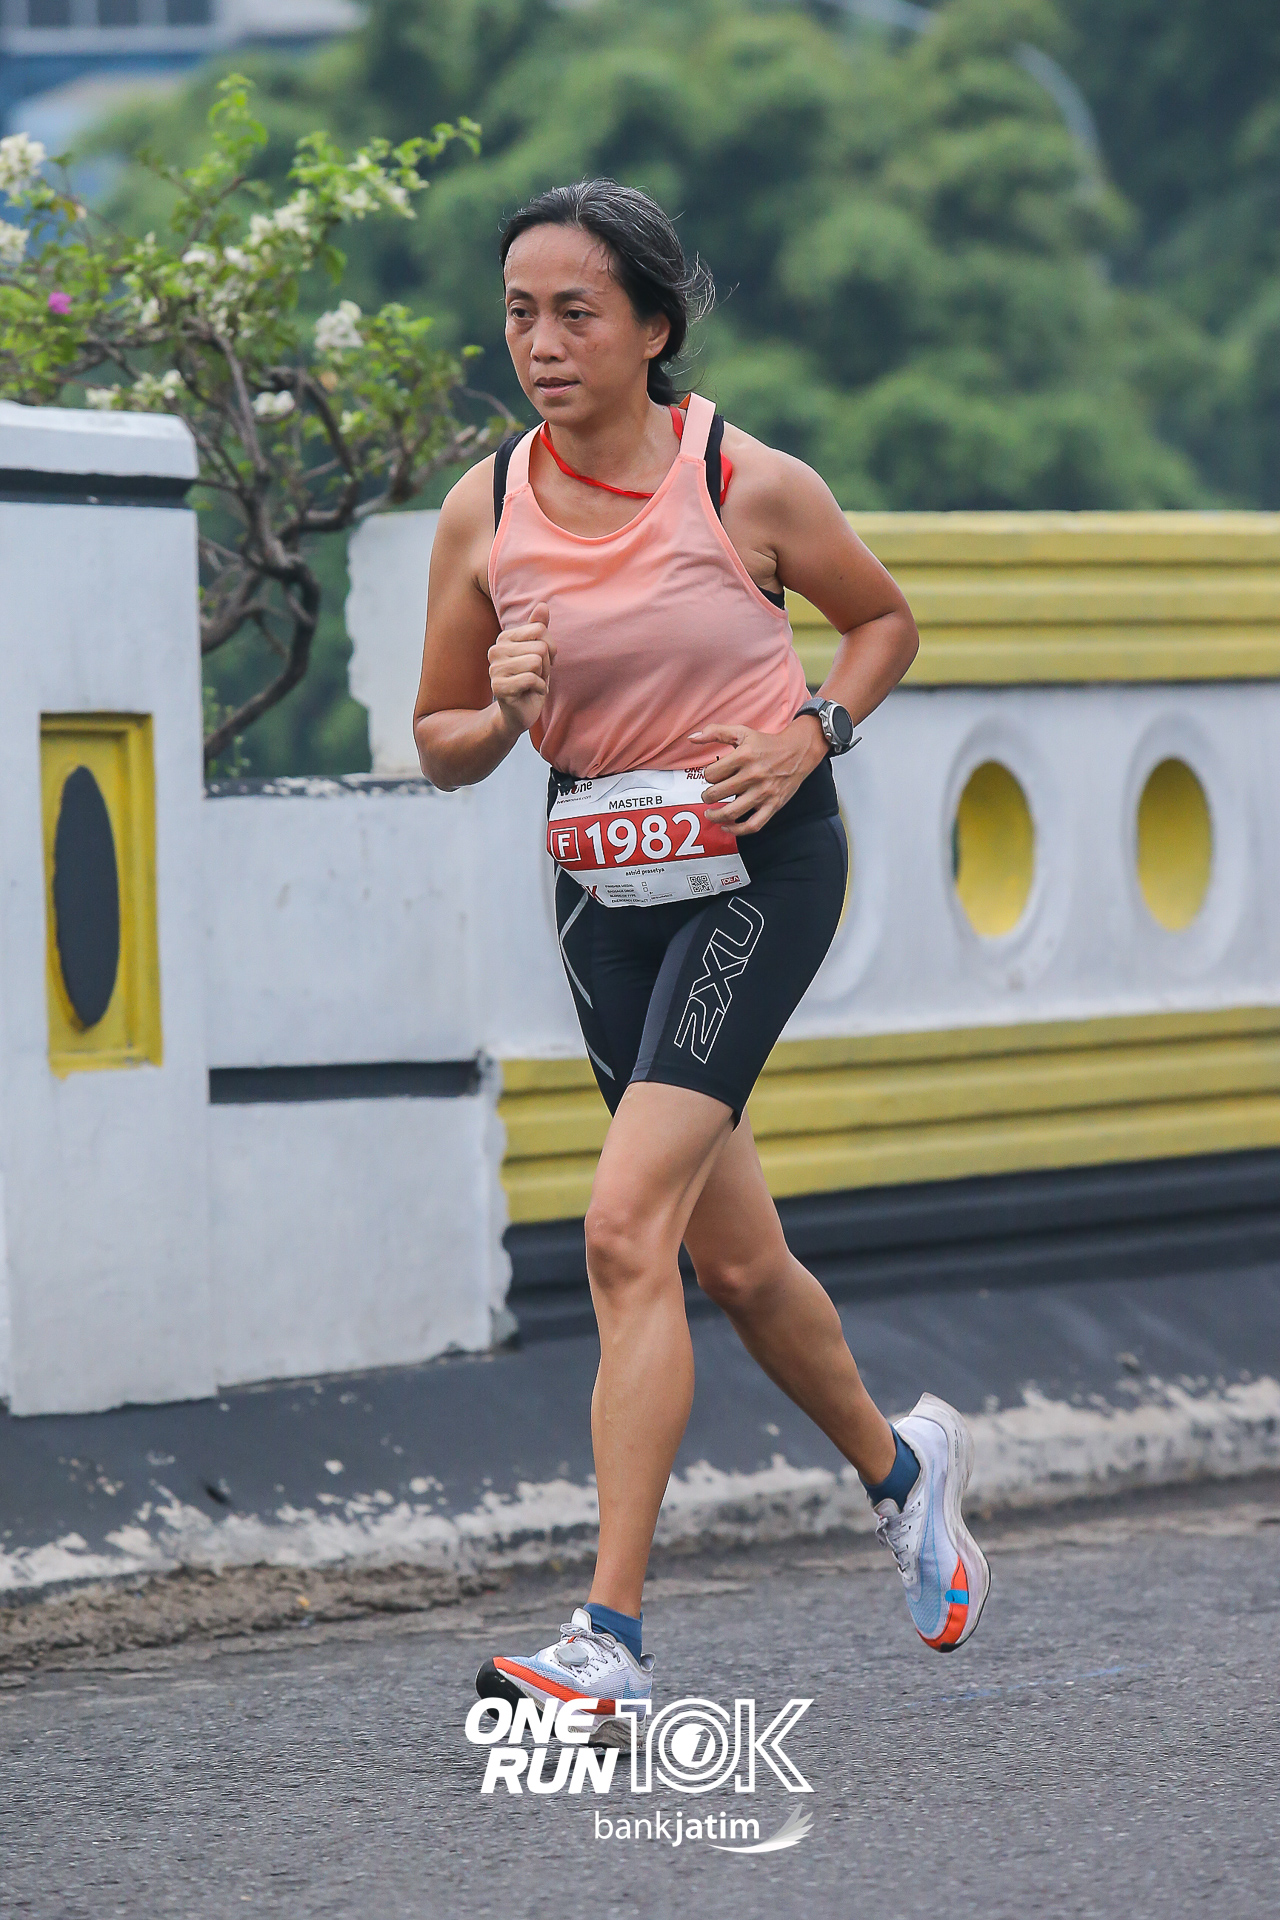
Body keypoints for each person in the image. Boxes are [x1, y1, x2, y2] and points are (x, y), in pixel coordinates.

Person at [414, 179, 989, 1740]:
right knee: (730, 1263)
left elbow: (884, 624)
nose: (541, 343)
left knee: (622, 1232)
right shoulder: (484, 510)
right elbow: (442, 742)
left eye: (577, 312)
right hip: (604, 897)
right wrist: (505, 706)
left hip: (758, 871)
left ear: (653, 329)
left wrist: (813, 732)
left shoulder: (745, 481)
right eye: (520, 312)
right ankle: (905, 1472)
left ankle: (608, 1642)